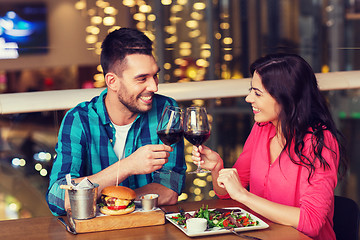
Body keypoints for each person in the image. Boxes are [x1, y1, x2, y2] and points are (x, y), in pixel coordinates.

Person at [192, 53, 347, 240]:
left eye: (257, 93)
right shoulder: (262, 128)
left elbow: (311, 223)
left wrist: (244, 196)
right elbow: (228, 194)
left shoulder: (319, 142)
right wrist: (217, 168)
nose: (248, 98)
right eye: (251, 90)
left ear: (287, 98)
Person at [46, 28, 186, 216]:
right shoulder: (79, 119)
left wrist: (113, 202)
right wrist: (127, 166)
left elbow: (169, 191)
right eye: (142, 78)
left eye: (154, 75)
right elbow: (58, 198)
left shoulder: (166, 110)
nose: (154, 86)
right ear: (112, 81)